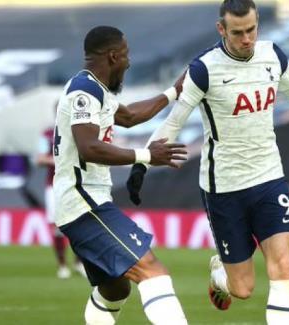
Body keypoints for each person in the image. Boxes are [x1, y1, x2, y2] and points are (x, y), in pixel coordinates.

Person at [126, 1, 289, 323]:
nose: (246, 39)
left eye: (251, 29)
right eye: (238, 33)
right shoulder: (204, 69)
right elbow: (174, 121)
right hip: (224, 187)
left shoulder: (272, 56)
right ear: (222, 30)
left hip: (268, 178)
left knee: (283, 267)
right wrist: (142, 163)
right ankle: (221, 271)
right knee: (243, 288)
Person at [53, 25, 189, 324]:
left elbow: (128, 117)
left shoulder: (94, 88)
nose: (129, 62)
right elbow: (88, 147)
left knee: (114, 288)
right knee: (152, 271)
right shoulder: (84, 92)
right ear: (113, 56)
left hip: (87, 201)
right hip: (83, 203)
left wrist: (174, 92)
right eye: (126, 55)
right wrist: (146, 155)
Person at [37, 119, 86, 279]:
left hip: (76, 184)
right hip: (54, 186)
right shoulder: (48, 134)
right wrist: (59, 161)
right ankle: (62, 265)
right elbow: (39, 159)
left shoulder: (79, 131)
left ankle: (79, 263)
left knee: (81, 224)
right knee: (58, 226)